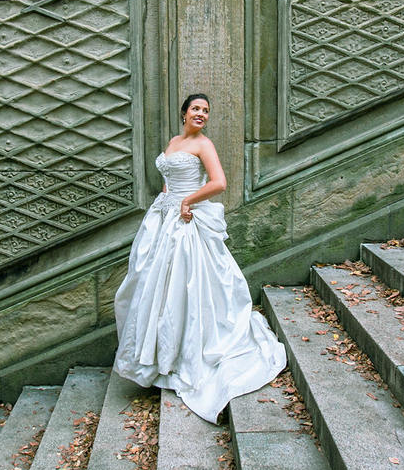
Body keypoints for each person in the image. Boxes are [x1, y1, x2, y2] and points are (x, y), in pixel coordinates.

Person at [112, 94, 287, 423]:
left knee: (188, 286)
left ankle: (187, 354)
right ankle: (159, 356)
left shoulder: (204, 145)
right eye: (196, 109)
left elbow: (219, 183)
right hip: (164, 218)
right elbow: (169, 175)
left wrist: (187, 200)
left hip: (187, 221)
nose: (201, 114)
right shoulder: (174, 141)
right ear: (184, 113)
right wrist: (168, 195)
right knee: (156, 287)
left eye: (206, 111)